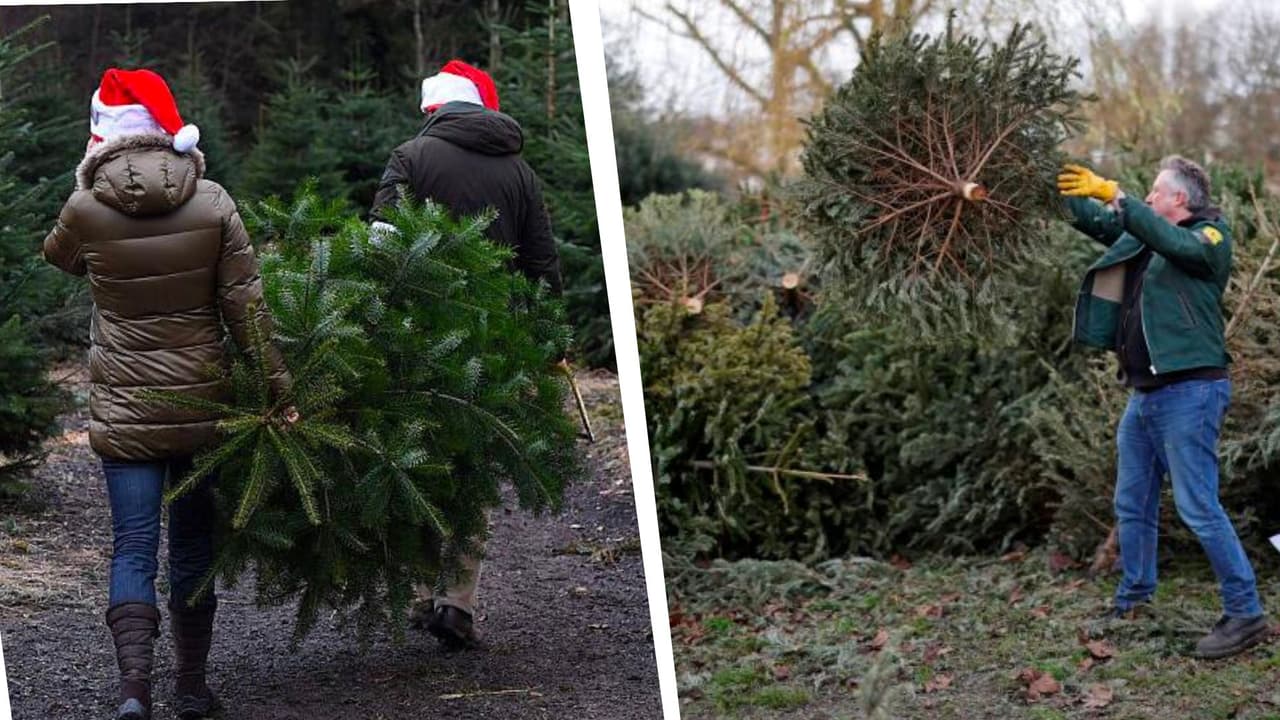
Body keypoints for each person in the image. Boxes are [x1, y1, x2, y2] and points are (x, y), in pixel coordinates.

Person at [42, 68, 294, 720]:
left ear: (103, 138)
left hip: (124, 413)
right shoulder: (213, 202)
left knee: (132, 547)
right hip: (199, 408)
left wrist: (85, 191)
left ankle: (133, 693)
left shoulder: (85, 211)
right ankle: (191, 688)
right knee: (191, 548)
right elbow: (247, 309)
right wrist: (278, 392)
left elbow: (58, 257)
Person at [370, 59, 562, 650]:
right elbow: (542, 262)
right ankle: (457, 602)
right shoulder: (520, 170)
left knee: (412, 458)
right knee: (471, 469)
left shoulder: (411, 157)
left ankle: (415, 594)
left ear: (435, 110)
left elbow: (381, 237)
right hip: (495, 340)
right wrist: (549, 341)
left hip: (418, 335)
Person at [1058, 157, 1270, 659]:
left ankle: (1246, 613)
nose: (1147, 197)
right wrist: (1062, 185)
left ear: (1180, 199)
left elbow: (1172, 241)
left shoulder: (1209, 238)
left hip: (1192, 392)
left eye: (1155, 192)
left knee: (1198, 507)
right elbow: (1095, 220)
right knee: (1132, 502)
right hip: (1145, 395)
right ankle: (1135, 597)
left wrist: (1119, 195)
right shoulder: (1142, 236)